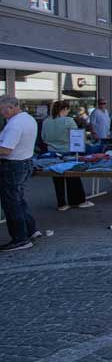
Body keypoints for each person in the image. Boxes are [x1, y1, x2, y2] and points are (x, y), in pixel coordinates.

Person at [0, 96, 41, 252]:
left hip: (13, 165)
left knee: (12, 204)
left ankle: (20, 238)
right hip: (24, 162)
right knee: (18, 200)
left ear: (11, 108)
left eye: (2, 111)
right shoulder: (27, 119)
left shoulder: (15, 124)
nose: (2, 114)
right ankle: (31, 230)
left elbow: (6, 149)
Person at [40, 101, 94, 211]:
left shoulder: (46, 121)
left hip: (52, 153)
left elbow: (43, 138)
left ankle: (61, 203)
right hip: (67, 151)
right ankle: (78, 201)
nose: (68, 111)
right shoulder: (69, 121)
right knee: (73, 176)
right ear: (64, 109)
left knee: (57, 177)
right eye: (68, 109)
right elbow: (75, 137)